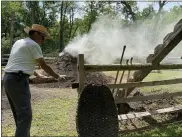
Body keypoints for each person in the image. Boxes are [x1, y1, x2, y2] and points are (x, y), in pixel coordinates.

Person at [3, 24, 65, 137]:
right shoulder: (33, 45)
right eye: (42, 37)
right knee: (25, 115)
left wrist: (36, 74)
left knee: (20, 115)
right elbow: (44, 65)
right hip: (18, 80)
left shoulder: (19, 42)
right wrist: (58, 76)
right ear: (36, 33)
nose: (43, 40)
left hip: (8, 79)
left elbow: (22, 61)